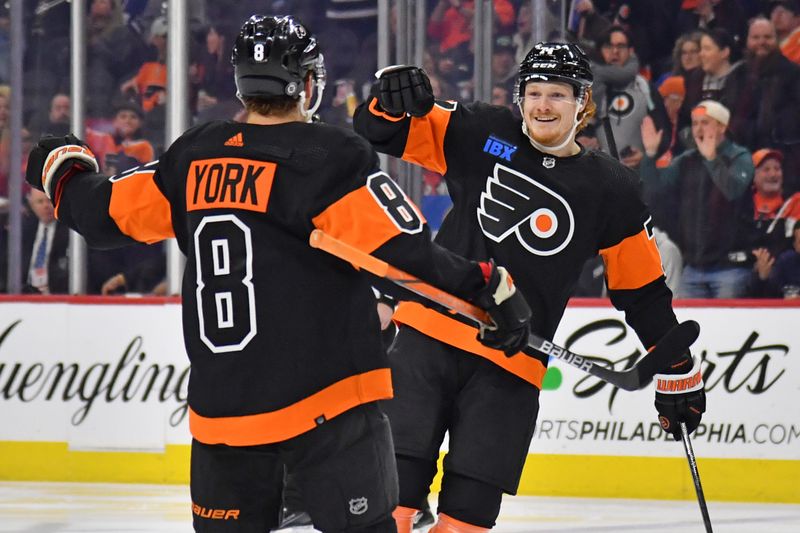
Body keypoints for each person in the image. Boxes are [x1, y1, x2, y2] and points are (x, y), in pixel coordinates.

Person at [24, 15, 531, 533]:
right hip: (328, 408)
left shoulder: (193, 155)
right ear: (308, 83)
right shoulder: (327, 156)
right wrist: (489, 290)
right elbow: (407, 256)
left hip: (223, 413)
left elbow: (101, 215)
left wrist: (62, 167)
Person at [354, 43, 706, 532]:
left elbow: (642, 291)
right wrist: (389, 98)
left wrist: (676, 370)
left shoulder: (612, 190)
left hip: (511, 365)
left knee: (467, 521)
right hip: (427, 339)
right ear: (519, 98)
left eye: (557, 95)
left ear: (583, 103)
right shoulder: (480, 130)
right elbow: (381, 131)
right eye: (534, 92)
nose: (543, 105)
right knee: (389, 506)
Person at [641, 100, 754, 298]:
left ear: (722, 126)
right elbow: (655, 192)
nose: (698, 128)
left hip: (730, 268)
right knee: (688, 326)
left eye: (705, 122)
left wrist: (712, 160)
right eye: (694, 123)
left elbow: (734, 191)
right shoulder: (687, 159)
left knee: (727, 327)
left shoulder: (740, 157)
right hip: (693, 267)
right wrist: (649, 156)